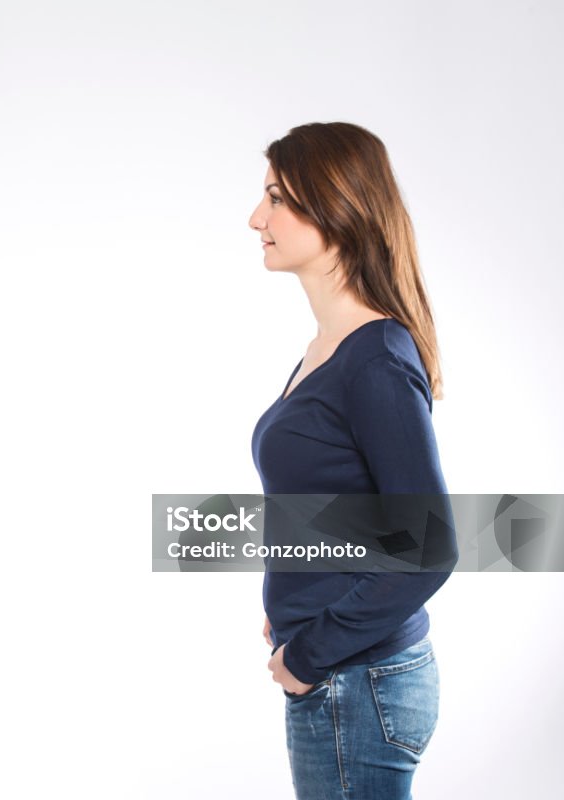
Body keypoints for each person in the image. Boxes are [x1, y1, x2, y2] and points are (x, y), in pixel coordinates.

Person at [248, 122, 458, 799]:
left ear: (334, 205)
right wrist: (293, 597)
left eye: (277, 198)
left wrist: (309, 653)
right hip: (348, 675)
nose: (258, 217)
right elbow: (348, 501)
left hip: (354, 682)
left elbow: (429, 547)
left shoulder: (373, 361)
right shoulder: (331, 348)